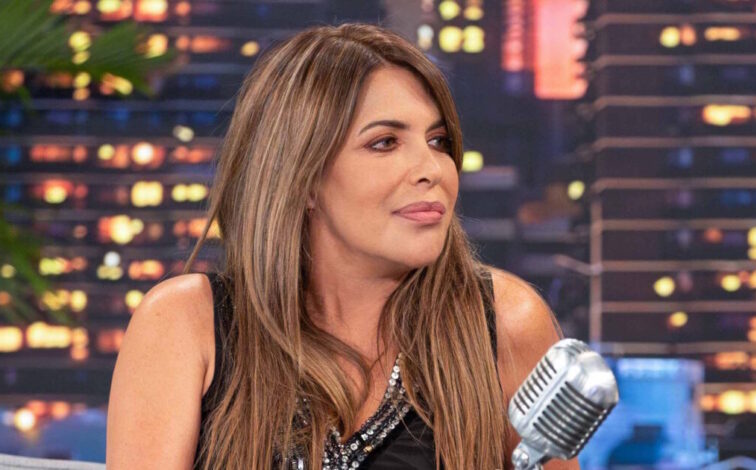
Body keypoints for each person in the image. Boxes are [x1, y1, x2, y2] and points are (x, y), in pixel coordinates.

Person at [105, 23, 579, 470]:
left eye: (438, 141)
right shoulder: (185, 324)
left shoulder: (506, 322)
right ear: (304, 178)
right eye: (385, 142)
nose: (432, 169)